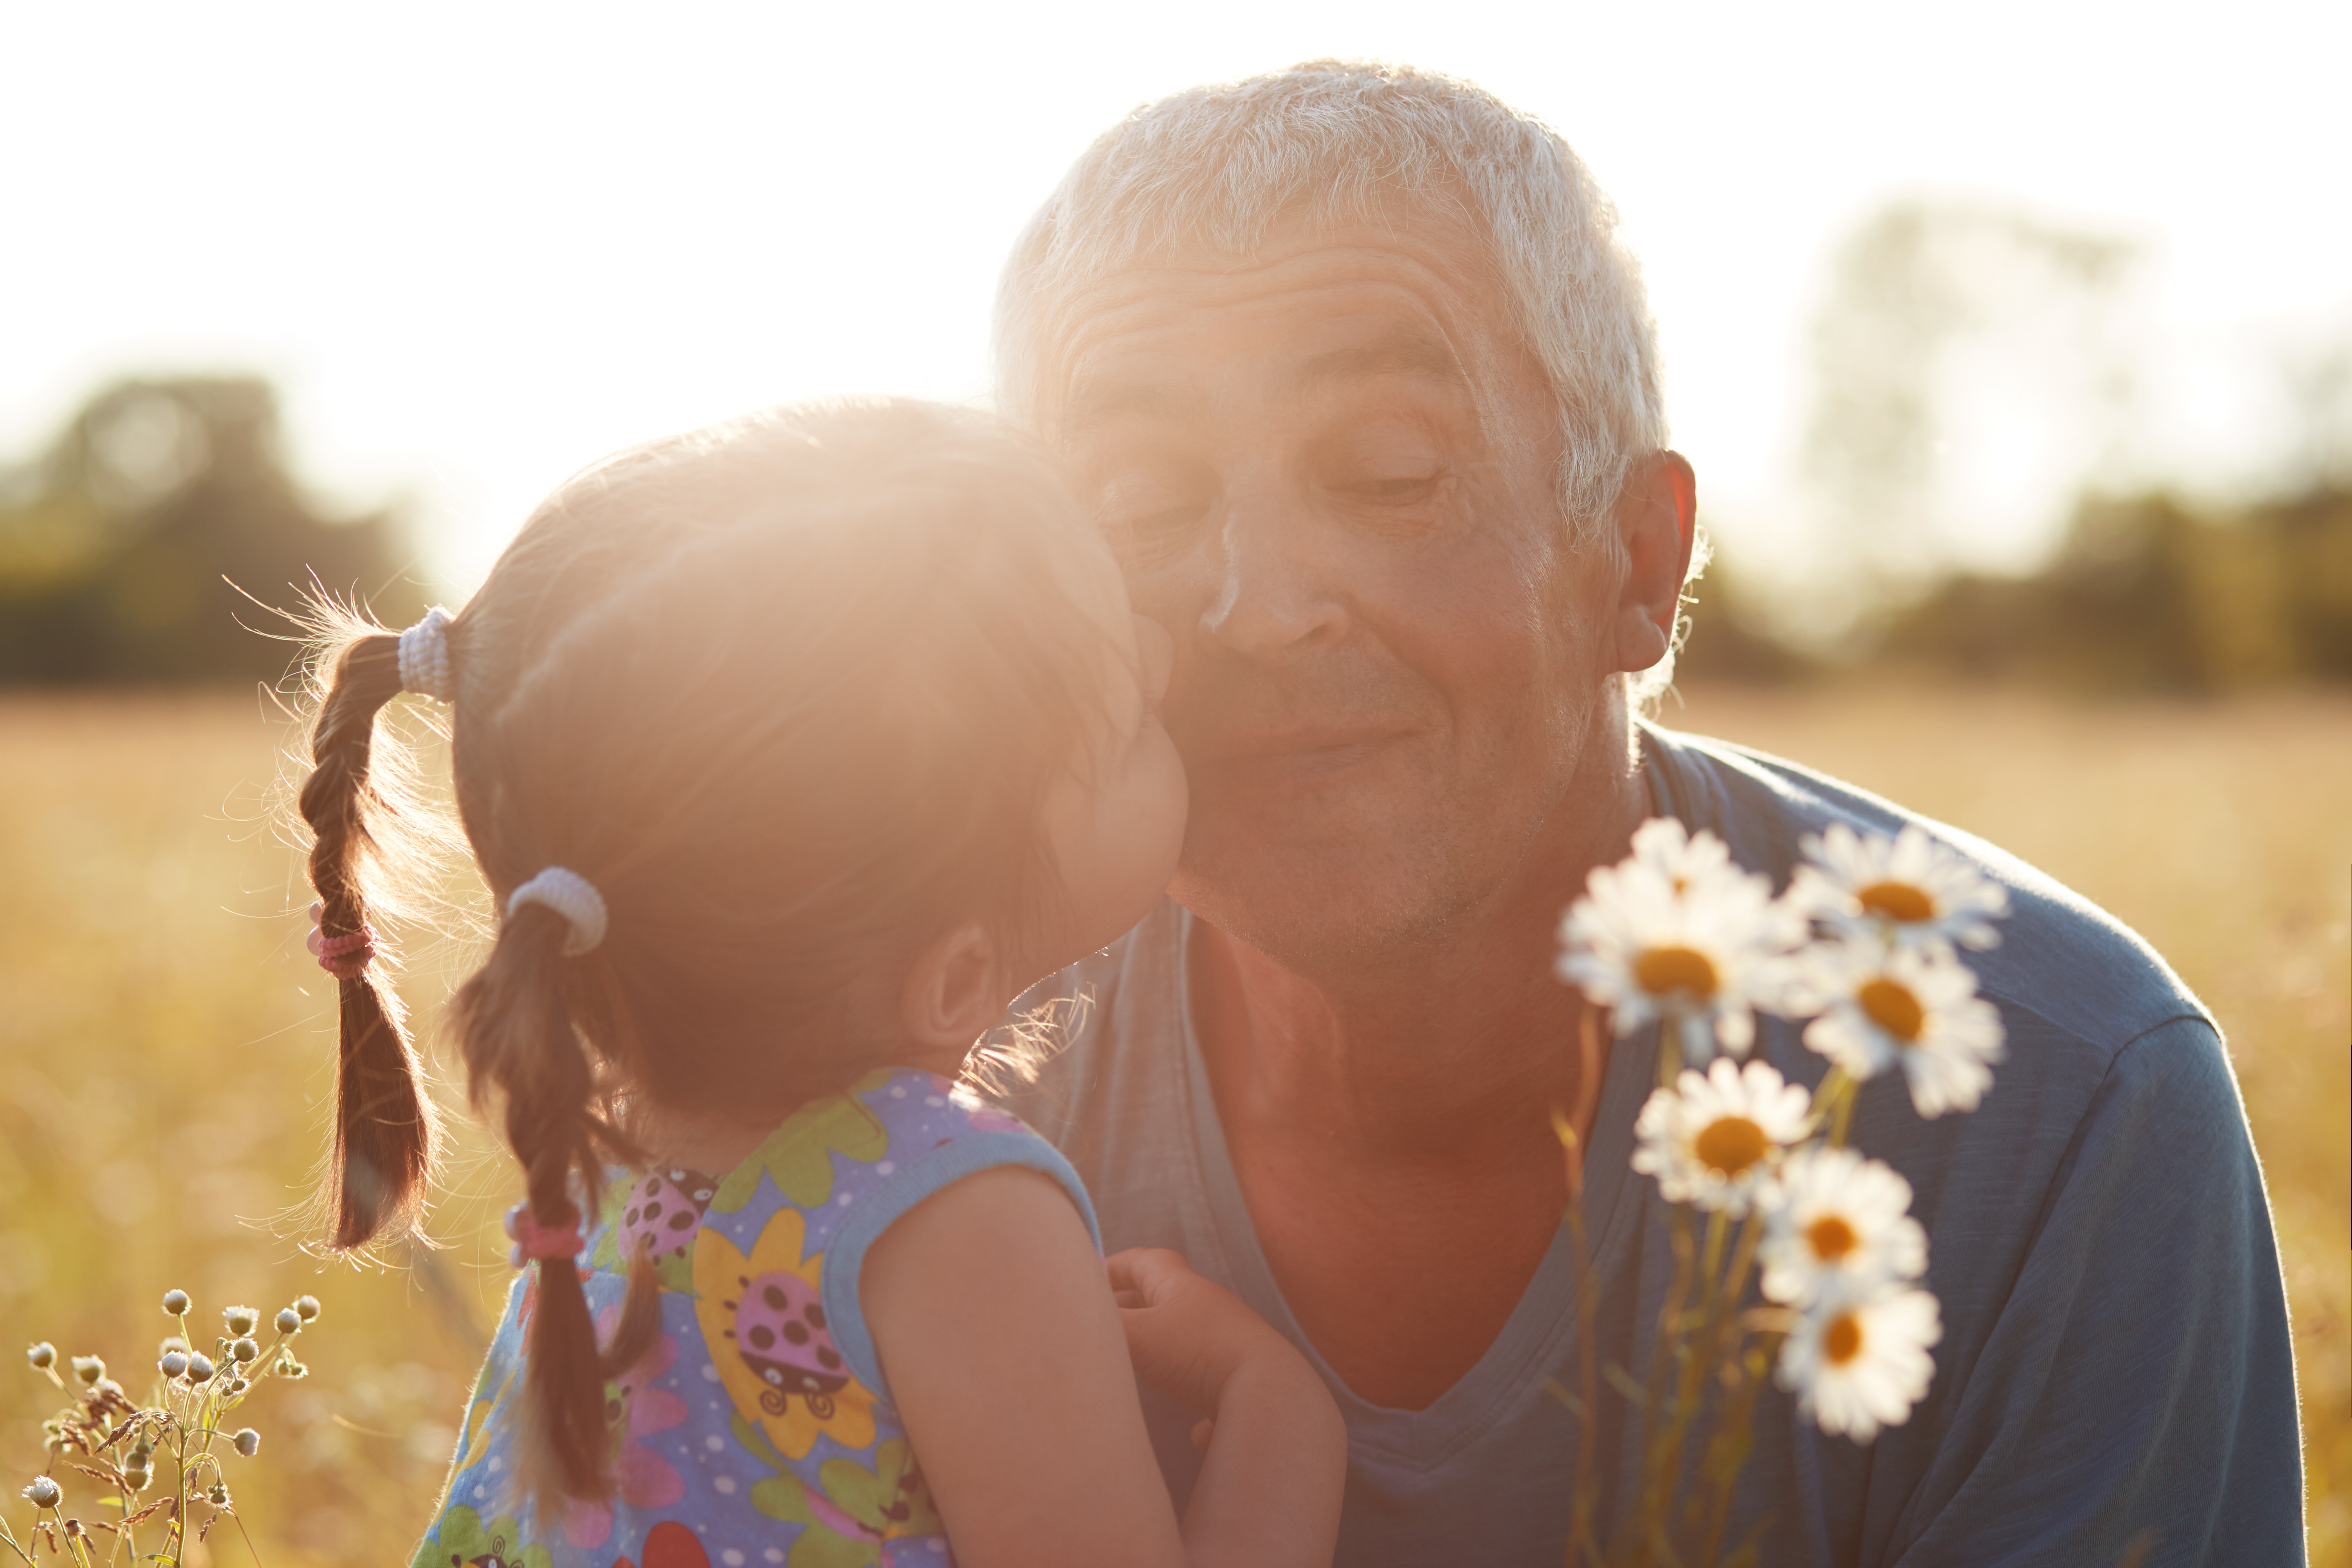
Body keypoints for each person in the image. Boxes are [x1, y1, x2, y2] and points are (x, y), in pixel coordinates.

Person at [982, 61, 2307, 1564]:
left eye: (1388, 471)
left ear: (1634, 560)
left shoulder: (2057, 1111)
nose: (1263, 602)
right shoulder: (914, 1058)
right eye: (1143, 501)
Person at [294, 400, 1346, 1568]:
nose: (1164, 652)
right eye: (1127, 722)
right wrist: (1277, 1406)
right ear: (955, 977)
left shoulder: (595, 1176)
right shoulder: (962, 1221)